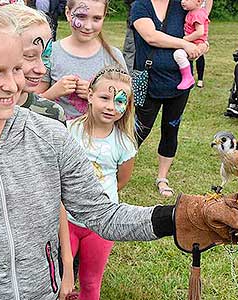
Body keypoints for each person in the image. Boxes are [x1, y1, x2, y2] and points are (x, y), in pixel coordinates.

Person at [0, 1, 238, 299]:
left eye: (16, 68)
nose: (13, 83)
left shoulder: (51, 137)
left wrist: (177, 217)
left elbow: (101, 213)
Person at [2, 4, 74, 299]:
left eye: (45, 57)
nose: (42, 69)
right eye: (29, 57)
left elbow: (57, 195)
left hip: (39, 259)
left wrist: (66, 262)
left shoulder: (51, 116)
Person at [66, 66, 136, 299]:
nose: (110, 106)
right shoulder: (69, 131)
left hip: (101, 224)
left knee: (90, 281)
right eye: (104, 97)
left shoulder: (124, 144)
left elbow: (120, 180)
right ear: (90, 96)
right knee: (57, 278)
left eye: (119, 101)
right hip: (65, 220)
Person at [131, 0, 207, 197]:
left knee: (171, 128)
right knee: (138, 128)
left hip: (179, 82)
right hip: (146, 80)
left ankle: (162, 178)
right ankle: (115, 170)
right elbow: (151, 37)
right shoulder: (140, 5)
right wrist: (184, 43)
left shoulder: (182, 5)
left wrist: (201, 47)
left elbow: (202, 32)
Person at [38, 0, 127, 120]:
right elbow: (32, 104)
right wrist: (53, 92)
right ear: (68, 13)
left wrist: (95, 94)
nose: (88, 26)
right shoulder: (50, 54)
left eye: (96, 18)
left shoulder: (113, 56)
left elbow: (125, 102)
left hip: (97, 135)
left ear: (104, 17)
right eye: (81, 16)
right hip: (56, 134)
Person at [173, 0, 210, 90]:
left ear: (198, 1)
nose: (183, 2)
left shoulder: (197, 14)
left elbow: (200, 32)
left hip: (196, 44)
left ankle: (187, 77)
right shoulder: (193, 11)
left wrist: (185, 39)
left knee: (178, 55)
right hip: (194, 43)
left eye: (187, 0)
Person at [194, 0, 212, 88]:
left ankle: (200, 79)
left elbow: (209, 2)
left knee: (199, 49)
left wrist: (203, 17)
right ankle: (187, 75)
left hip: (199, 19)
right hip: (189, 19)